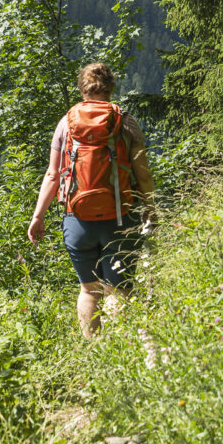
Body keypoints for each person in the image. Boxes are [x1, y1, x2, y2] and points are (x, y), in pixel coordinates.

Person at [27, 62, 156, 336]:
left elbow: (52, 175)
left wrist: (38, 216)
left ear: (82, 89)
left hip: (78, 220)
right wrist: (151, 208)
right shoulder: (125, 121)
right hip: (120, 217)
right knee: (119, 290)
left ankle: (92, 351)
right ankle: (120, 351)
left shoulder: (66, 123)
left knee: (89, 290)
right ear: (111, 88)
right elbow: (142, 173)